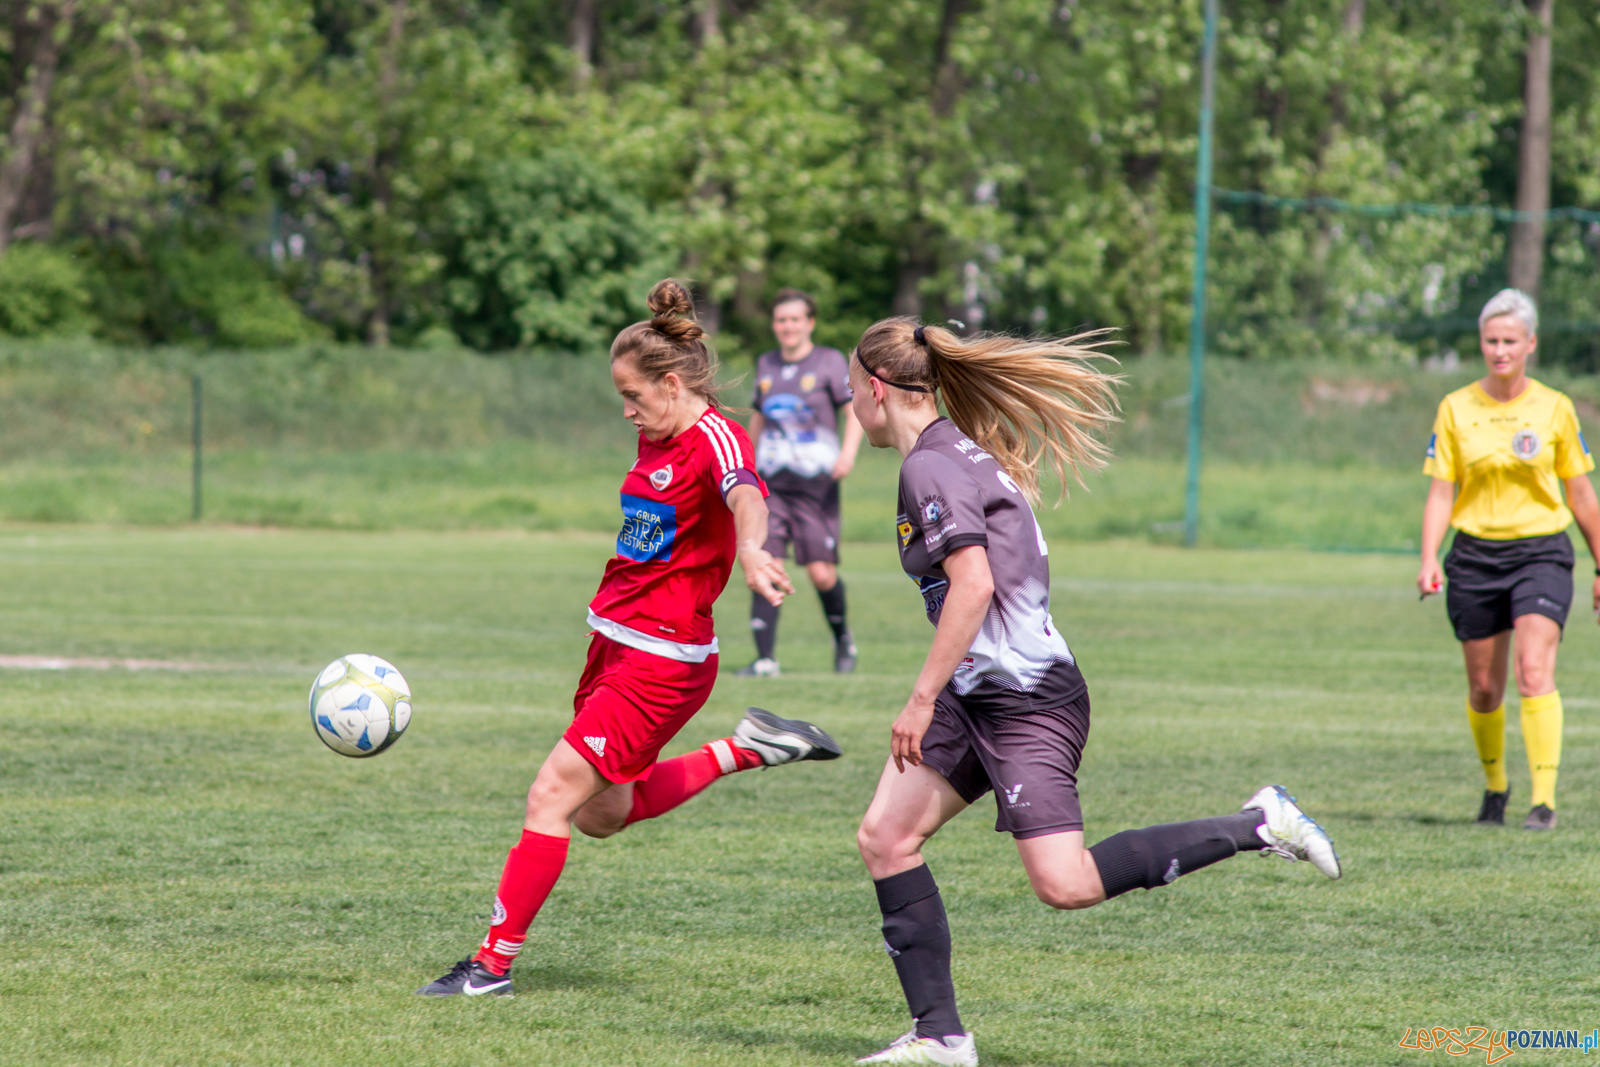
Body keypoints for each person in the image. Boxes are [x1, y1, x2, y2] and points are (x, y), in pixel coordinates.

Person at [847, 319, 1340, 1066]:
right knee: (886, 837)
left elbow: (973, 586)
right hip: (983, 690)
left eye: (850, 389)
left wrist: (919, 698)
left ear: (876, 389)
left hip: (1026, 701)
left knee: (1066, 883)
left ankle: (1260, 821)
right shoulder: (949, 451)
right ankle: (941, 1036)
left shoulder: (930, 467)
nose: (848, 403)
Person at [418, 280, 843, 997]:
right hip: (614, 644)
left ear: (672, 384)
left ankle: (490, 965)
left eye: (634, 395)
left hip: (661, 659)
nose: (626, 409)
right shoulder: (657, 434)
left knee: (549, 795)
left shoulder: (716, 438)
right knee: (601, 814)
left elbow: (745, 493)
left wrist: (750, 549)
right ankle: (747, 747)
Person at [1417, 288, 1600, 832]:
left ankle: (1543, 803)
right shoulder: (1456, 407)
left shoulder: (1554, 408)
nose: (1499, 350)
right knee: (1483, 688)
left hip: (1541, 551)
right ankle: (1496, 788)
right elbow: (1440, 493)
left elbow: (1582, 496)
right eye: (1491, 340)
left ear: (1530, 344)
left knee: (1534, 670)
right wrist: (1429, 555)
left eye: (1510, 341)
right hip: (1474, 556)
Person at [738, 288, 865, 677]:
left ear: (809, 323)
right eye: (780, 320)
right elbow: (758, 418)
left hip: (817, 486)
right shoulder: (767, 364)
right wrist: (747, 462)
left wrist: (847, 455)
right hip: (773, 486)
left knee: (821, 573)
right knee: (766, 562)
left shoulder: (827, 361)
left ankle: (843, 640)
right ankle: (765, 660)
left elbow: (854, 411)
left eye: (794, 319)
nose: (787, 326)